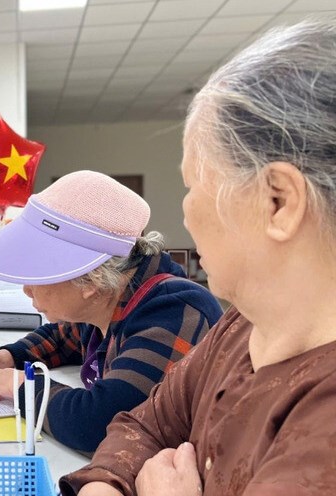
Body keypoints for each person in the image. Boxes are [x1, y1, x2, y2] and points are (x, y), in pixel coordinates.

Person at [63, 19, 336, 496]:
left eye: (195, 186)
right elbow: (140, 427)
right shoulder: (239, 329)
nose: (186, 215)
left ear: (278, 202)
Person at [0, 170, 223, 453]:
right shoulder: (108, 300)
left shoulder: (173, 312)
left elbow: (99, 423)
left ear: (89, 281)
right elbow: (61, 338)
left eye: (38, 276)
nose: (26, 290)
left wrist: (24, 386)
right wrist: (6, 357)